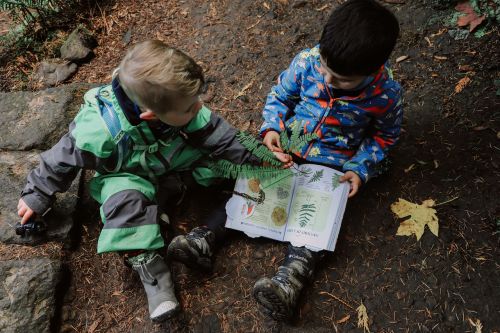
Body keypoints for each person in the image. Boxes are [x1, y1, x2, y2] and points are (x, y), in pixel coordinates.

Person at [16, 40, 291, 322]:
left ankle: (164, 204)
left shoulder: (181, 104)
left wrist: (259, 158)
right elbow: (60, 159)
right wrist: (36, 193)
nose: (199, 108)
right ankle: (154, 275)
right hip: (128, 174)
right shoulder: (98, 129)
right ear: (150, 115)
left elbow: (222, 138)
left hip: (174, 163)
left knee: (219, 164)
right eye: (190, 108)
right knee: (123, 206)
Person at [167, 0, 403, 321]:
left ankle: (290, 278)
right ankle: (205, 238)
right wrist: (272, 128)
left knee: (318, 213)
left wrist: (359, 167)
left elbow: (383, 137)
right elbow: (280, 96)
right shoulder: (307, 62)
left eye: (342, 79)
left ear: (373, 69)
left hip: (334, 162)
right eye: (325, 68)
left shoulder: (385, 93)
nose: (329, 80)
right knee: (253, 183)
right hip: (290, 145)